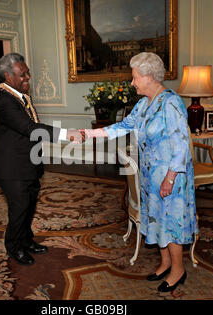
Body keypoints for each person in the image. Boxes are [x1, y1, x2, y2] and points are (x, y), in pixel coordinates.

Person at [83, 52, 197, 292]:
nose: (132, 82)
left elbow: (181, 145)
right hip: (150, 176)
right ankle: (165, 263)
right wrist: (90, 134)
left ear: (148, 76)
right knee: (157, 219)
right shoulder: (144, 103)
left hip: (170, 177)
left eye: (135, 77)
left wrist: (170, 177)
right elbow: (124, 126)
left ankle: (178, 271)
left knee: (171, 223)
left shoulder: (171, 102)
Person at [0, 53, 83, 266]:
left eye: (27, 72)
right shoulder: (4, 101)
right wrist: (66, 133)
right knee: (19, 207)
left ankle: (26, 241)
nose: (28, 77)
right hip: (11, 167)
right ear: (7, 76)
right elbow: (30, 129)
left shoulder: (19, 97)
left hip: (27, 162)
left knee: (29, 206)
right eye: (22, 75)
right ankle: (14, 248)